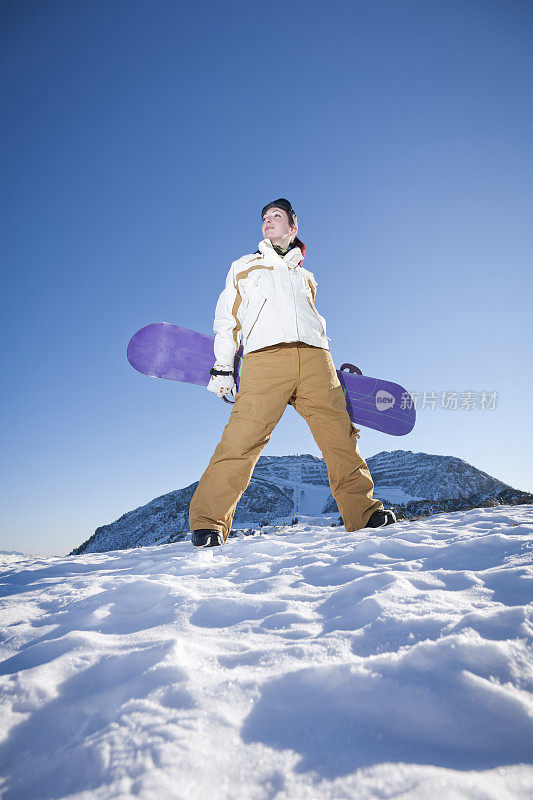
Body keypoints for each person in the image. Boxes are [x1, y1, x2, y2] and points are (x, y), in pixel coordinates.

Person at [188, 199, 396, 547]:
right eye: (264, 218)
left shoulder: (306, 276)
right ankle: (209, 522)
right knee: (241, 440)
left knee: (339, 437)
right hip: (264, 360)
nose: (267, 222)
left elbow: (313, 319)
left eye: (276, 217)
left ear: (292, 228)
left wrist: (328, 358)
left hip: (316, 361)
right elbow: (227, 319)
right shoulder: (245, 266)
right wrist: (224, 366)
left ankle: (363, 512)